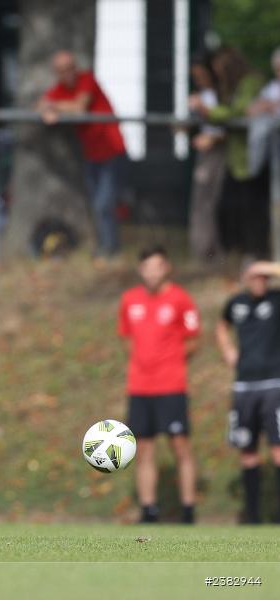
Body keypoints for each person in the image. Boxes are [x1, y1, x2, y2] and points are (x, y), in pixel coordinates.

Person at [118, 246, 199, 524]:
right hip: (140, 388)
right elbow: (127, 338)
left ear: (166, 268)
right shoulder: (130, 300)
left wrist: (170, 361)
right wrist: (144, 364)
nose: (152, 272)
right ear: (141, 270)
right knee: (144, 449)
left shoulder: (180, 299)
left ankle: (188, 509)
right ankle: (148, 509)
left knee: (180, 446)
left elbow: (193, 339)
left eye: (157, 266)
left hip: (171, 386)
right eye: (147, 267)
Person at [38, 50, 126, 258]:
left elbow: (80, 107)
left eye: (71, 68)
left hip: (112, 152)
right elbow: (41, 105)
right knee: (97, 204)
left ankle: (110, 249)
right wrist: (49, 108)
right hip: (91, 156)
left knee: (104, 204)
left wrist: (55, 108)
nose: (68, 73)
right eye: (62, 70)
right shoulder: (60, 89)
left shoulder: (87, 79)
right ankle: (103, 247)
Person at [216, 261, 280, 524]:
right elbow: (221, 326)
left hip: (274, 384)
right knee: (247, 449)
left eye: (263, 277)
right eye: (253, 277)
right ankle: (252, 517)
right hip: (243, 387)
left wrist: (266, 266)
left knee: (277, 448)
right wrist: (228, 351)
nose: (259, 281)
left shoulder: (276, 300)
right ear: (244, 278)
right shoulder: (236, 303)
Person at [192, 46, 267, 257]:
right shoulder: (232, 88)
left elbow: (239, 112)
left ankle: (253, 253)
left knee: (251, 209)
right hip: (235, 159)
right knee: (229, 209)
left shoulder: (250, 83)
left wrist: (209, 111)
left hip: (251, 157)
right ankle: (237, 252)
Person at [187, 57, 226, 264]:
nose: (199, 80)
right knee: (200, 203)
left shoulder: (220, 95)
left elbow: (225, 122)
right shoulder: (200, 95)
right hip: (204, 154)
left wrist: (212, 138)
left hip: (217, 153)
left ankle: (211, 250)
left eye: (201, 75)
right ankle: (201, 249)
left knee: (211, 203)